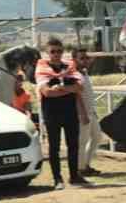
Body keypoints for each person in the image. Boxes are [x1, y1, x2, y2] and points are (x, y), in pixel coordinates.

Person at [34, 38, 89, 189]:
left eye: (59, 51)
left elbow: (80, 87)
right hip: (52, 112)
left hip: (70, 111)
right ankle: (57, 178)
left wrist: (60, 88)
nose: (56, 54)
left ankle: (74, 176)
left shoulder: (69, 67)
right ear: (47, 53)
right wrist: (68, 88)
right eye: (53, 51)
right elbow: (46, 92)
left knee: (73, 145)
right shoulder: (42, 67)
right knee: (54, 147)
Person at [70, 46, 101, 176]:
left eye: (86, 58)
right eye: (82, 58)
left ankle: (85, 165)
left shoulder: (84, 72)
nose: (85, 60)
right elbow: (76, 96)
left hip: (91, 111)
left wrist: (93, 111)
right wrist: (82, 114)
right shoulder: (74, 74)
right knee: (82, 141)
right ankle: (80, 168)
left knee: (97, 137)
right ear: (74, 60)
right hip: (82, 113)